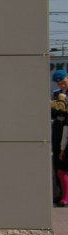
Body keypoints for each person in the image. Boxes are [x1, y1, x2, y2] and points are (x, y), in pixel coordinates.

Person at [52, 71, 68, 206]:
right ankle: (61, 194)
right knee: (59, 166)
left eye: (63, 82)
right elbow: (54, 113)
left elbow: (63, 110)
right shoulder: (57, 93)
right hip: (59, 133)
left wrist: (61, 103)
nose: (61, 85)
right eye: (58, 83)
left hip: (66, 132)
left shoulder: (62, 96)